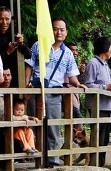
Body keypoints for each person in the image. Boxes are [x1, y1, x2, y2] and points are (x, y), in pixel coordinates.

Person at [29, 18, 82, 162]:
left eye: (62, 29)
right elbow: (29, 65)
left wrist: (78, 84)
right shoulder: (38, 45)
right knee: (34, 125)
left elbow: (72, 76)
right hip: (36, 90)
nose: (58, 32)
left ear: (66, 32)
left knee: (53, 127)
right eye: (55, 28)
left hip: (55, 92)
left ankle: (51, 160)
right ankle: (35, 158)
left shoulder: (68, 53)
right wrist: (25, 84)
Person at [83, 37, 111, 164]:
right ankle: (95, 163)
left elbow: (107, 83)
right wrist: (105, 87)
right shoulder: (93, 63)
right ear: (105, 48)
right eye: (110, 48)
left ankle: (101, 163)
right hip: (97, 106)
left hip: (107, 105)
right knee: (97, 136)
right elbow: (88, 84)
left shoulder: (105, 65)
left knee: (104, 138)